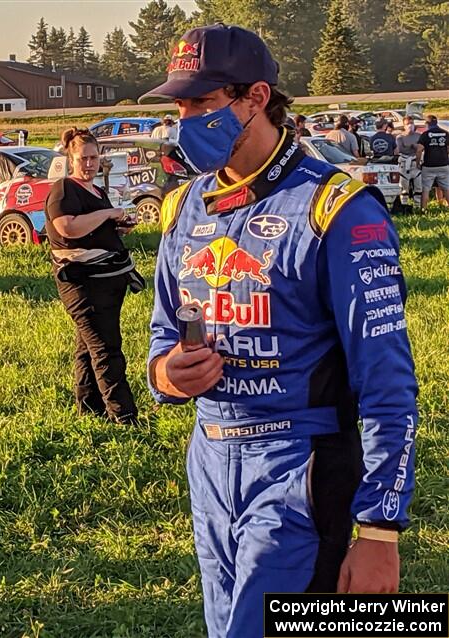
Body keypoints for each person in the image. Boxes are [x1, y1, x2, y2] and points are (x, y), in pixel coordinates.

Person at [139, 23, 417, 638]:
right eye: (178, 105)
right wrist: (166, 373)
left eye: (202, 104)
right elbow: (163, 331)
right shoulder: (184, 206)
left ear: (256, 97)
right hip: (209, 459)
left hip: (300, 464)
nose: (184, 119)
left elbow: (387, 381)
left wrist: (379, 530)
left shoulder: (336, 207)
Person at [45, 127, 143, 424]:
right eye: (83, 158)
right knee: (107, 349)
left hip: (108, 279)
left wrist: (120, 225)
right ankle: (124, 416)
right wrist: (108, 214)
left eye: (94, 157)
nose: (89, 164)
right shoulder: (64, 189)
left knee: (88, 348)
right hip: (82, 282)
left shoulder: (97, 191)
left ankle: (89, 410)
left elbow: (94, 228)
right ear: (70, 159)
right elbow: (68, 228)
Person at [416, 114, 449, 208]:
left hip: (429, 165)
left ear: (427, 124)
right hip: (443, 164)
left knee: (425, 189)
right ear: (436, 122)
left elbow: (419, 150)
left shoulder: (425, 135)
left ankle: (423, 210)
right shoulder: (445, 133)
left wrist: (418, 163)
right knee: (446, 188)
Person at [396, 115, 422, 210]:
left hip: (416, 163)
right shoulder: (400, 137)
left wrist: (415, 147)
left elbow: (421, 148)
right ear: (404, 125)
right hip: (404, 164)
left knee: (418, 187)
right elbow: (402, 149)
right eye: (408, 124)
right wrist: (413, 147)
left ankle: (417, 206)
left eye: (412, 123)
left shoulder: (419, 136)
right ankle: (404, 206)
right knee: (404, 187)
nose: (410, 126)